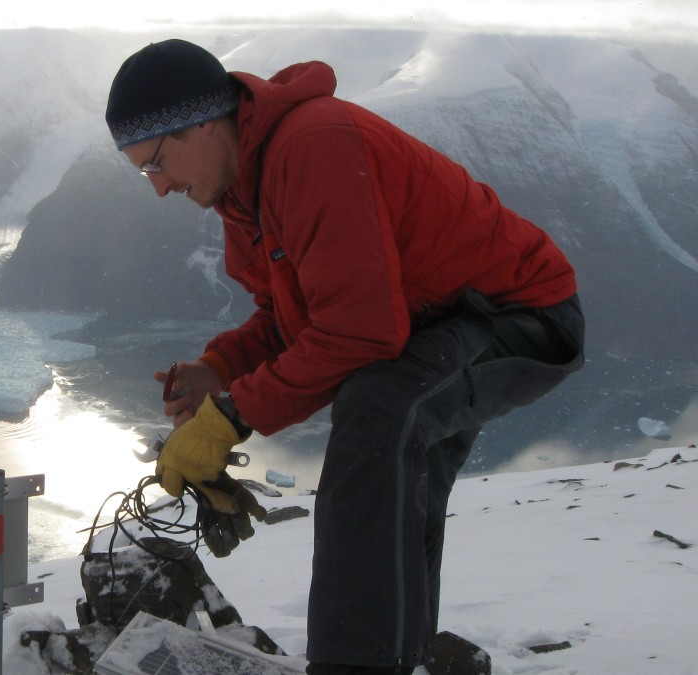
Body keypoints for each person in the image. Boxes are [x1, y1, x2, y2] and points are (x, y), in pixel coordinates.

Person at [104, 39, 585, 674]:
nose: (160, 188)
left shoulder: (311, 145)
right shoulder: (242, 189)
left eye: (159, 162)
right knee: (398, 464)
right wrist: (220, 370)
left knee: (380, 408)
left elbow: (360, 329)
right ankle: (399, 657)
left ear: (205, 121)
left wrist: (232, 415)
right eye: (144, 172)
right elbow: (293, 314)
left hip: (517, 312)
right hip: (441, 322)